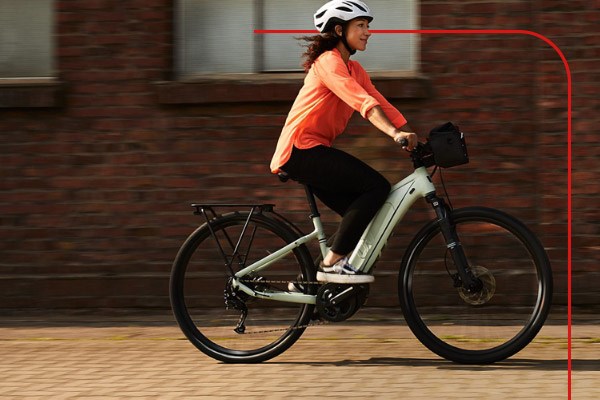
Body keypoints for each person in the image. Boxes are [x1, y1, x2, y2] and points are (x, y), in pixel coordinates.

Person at [270, 0, 419, 285]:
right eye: (361, 26)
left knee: (363, 214)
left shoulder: (356, 70)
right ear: (339, 30)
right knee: (376, 188)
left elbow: (381, 104)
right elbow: (361, 102)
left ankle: (313, 285)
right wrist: (394, 135)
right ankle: (330, 263)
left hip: (314, 150)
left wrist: (411, 135)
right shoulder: (328, 62)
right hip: (300, 149)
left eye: (368, 26)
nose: (368, 32)